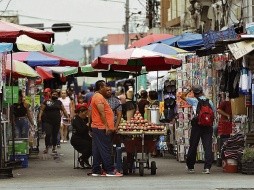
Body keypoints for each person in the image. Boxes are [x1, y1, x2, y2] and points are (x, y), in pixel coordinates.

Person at [90, 80, 123, 177]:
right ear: (101, 87)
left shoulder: (97, 96)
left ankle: (96, 170)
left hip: (97, 126)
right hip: (101, 127)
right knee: (105, 149)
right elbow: (101, 112)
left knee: (97, 149)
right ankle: (110, 170)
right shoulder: (99, 97)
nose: (108, 89)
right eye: (105, 87)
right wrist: (107, 126)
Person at [180, 84, 215, 174]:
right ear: (202, 91)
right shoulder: (209, 101)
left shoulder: (194, 100)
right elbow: (213, 112)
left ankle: (191, 167)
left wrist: (189, 90)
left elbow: (182, 96)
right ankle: (207, 167)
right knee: (207, 146)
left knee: (193, 145)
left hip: (197, 125)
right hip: (208, 125)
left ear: (194, 93)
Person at [71, 103, 92, 168]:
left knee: (95, 144)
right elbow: (80, 130)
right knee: (89, 145)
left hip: (85, 137)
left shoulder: (86, 119)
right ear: (80, 112)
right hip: (77, 139)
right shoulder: (75, 120)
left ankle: (84, 159)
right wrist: (86, 126)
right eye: (85, 113)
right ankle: (82, 158)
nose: (86, 115)